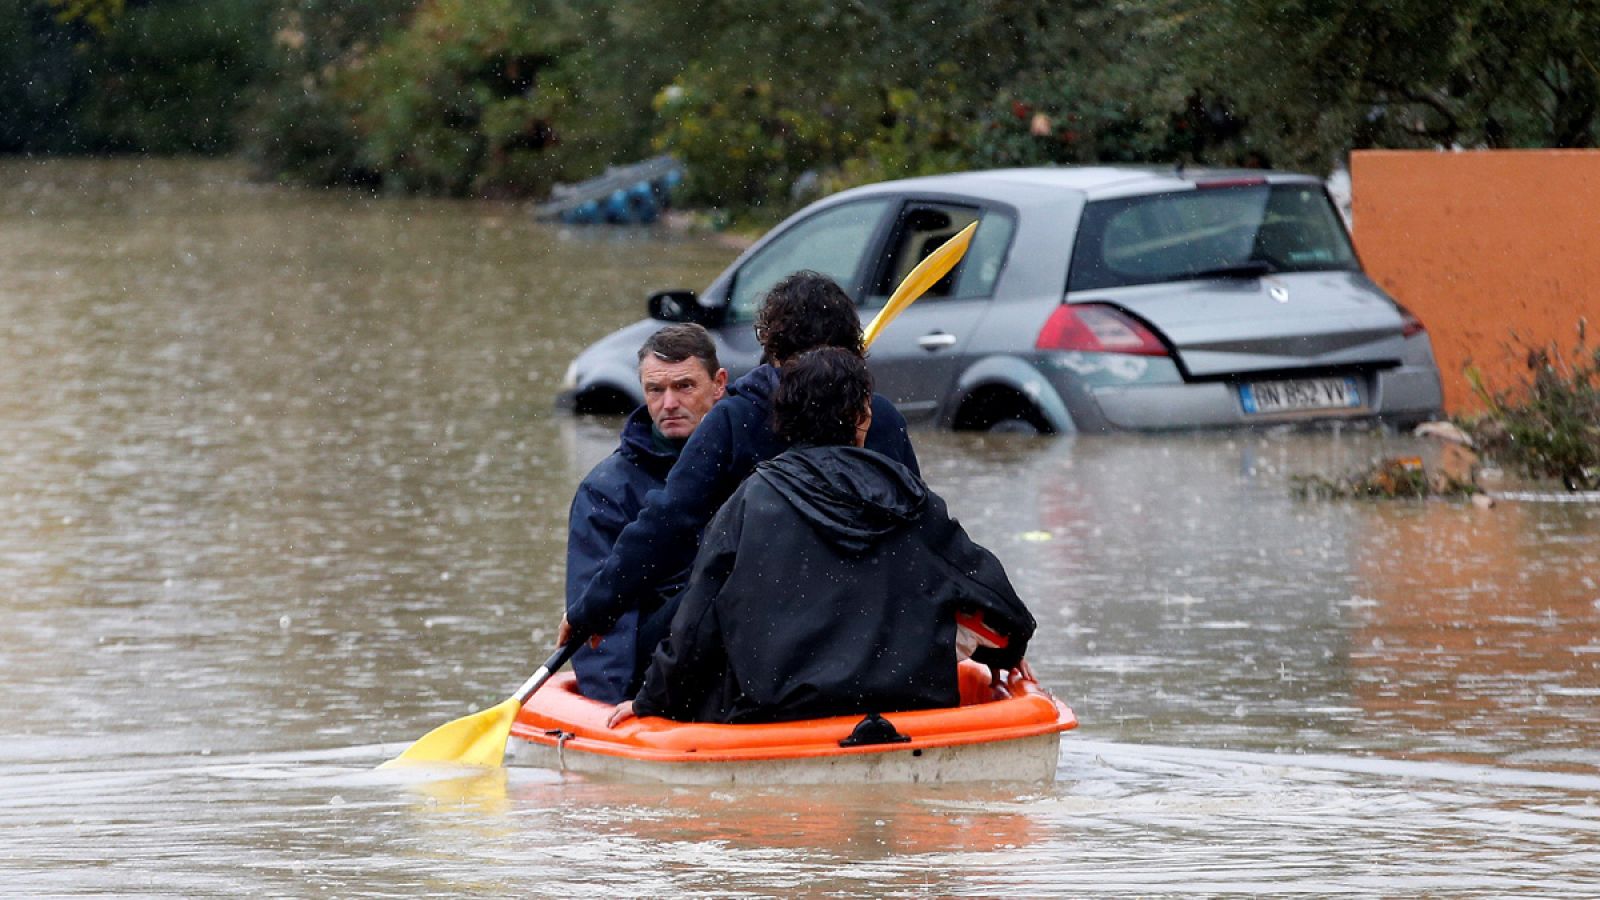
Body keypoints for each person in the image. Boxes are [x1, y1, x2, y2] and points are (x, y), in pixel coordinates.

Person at [609, 347, 1035, 725]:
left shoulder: (749, 501)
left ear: (782, 421)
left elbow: (694, 625)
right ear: (862, 418)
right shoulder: (912, 498)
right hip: (906, 708)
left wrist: (653, 702)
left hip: (776, 714)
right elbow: (1002, 609)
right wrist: (1004, 655)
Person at [559, 271, 920, 660]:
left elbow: (666, 525)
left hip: (758, 628)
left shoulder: (735, 419)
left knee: (665, 628)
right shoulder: (881, 416)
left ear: (771, 344)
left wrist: (594, 608)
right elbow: (918, 526)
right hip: (867, 621)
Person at [565, 324, 727, 703]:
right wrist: (616, 702)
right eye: (656, 390)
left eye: (684, 386)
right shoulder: (606, 490)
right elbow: (601, 624)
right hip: (660, 668)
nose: (668, 403)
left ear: (719, 384)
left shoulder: (751, 460)